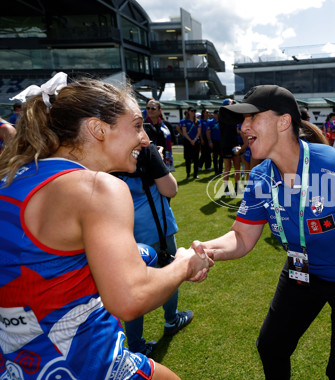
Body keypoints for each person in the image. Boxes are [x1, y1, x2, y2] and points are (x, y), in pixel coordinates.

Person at [0, 73, 212, 379]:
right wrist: (184, 265)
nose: (146, 139)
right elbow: (129, 299)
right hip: (86, 362)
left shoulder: (12, 179)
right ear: (98, 129)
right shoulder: (97, 188)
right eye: (137, 126)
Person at [195, 84, 335, 380]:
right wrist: (204, 250)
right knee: (271, 346)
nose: (243, 127)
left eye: (251, 117)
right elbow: (241, 236)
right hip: (302, 271)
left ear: (283, 121)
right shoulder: (261, 176)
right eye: (242, 120)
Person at [115, 144, 194, 356]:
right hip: (155, 232)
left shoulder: (104, 153)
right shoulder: (147, 152)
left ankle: (136, 346)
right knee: (169, 275)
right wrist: (156, 160)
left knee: (131, 289)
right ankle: (172, 320)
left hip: (121, 236)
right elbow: (170, 189)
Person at [144, 99, 174, 170]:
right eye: (148, 108)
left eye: (153, 108)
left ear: (159, 111)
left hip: (163, 159)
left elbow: (171, 142)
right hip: (147, 160)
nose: (150, 110)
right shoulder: (142, 125)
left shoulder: (167, 125)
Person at [179, 107, 201, 180]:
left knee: (196, 158)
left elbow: (199, 132)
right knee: (188, 159)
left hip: (195, 141)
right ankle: (188, 174)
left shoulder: (197, 121)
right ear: (188, 112)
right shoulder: (184, 121)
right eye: (192, 111)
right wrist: (190, 140)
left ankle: (195, 174)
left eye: (194, 111)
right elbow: (184, 132)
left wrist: (194, 140)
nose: (193, 112)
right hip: (187, 141)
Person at [206, 109, 223, 175]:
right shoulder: (210, 122)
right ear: (214, 114)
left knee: (221, 156)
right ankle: (216, 171)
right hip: (214, 141)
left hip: (221, 141)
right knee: (215, 156)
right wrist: (210, 141)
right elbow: (208, 132)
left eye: (219, 114)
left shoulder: (222, 121)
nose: (218, 115)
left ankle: (220, 170)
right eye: (217, 114)